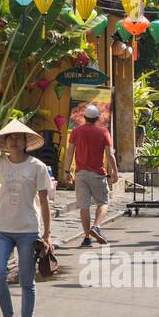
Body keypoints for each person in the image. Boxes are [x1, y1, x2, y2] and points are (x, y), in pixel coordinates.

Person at [0, 119, 52, 317]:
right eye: (10, 137)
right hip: (2, 228)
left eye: (18, 137)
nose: (14, 140)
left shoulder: (37, 167)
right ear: (5, 142)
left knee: (26, 280)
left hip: (28, 229)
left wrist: (47, 234)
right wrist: (7, 204)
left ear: (26, 141)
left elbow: (44, 201)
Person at [65, 104, 118, 248]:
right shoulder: (103, 132)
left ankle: (87, 237)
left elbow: (70, 152)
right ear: (97, 118)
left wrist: (67, 171)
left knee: (84, 206)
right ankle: (96, 226)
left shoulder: (76, 131)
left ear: (85, 117)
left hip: (80, 174)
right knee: (103, 202)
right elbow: (110, 154)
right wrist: (115, 172)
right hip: (97, 174)